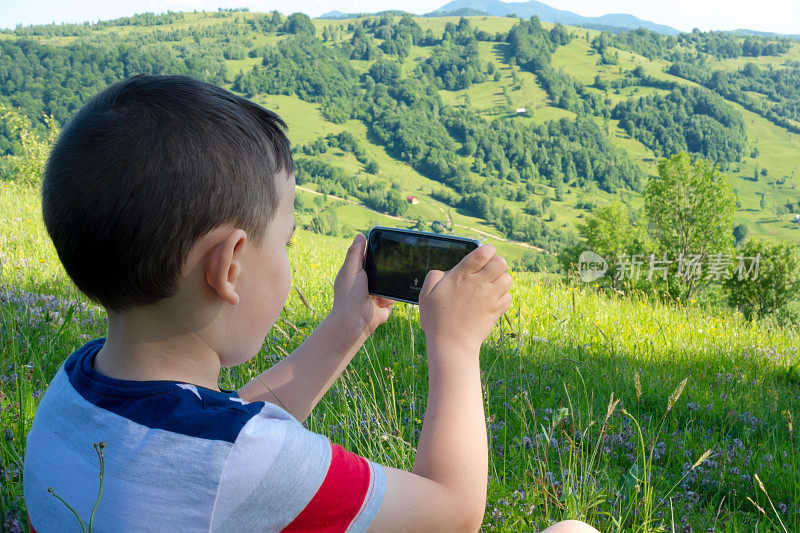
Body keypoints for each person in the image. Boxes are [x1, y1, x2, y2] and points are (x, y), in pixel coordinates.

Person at [23, 74, 597, 532]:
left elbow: (218, 420)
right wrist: (456, 344)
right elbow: (452, 513)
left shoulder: (73, 392)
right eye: (288, 240)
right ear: (230, 268)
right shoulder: (238, 461)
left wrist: (346, 328)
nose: (291, 255)